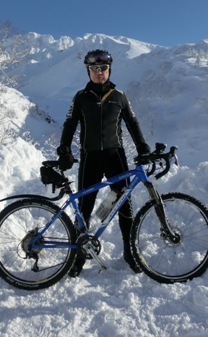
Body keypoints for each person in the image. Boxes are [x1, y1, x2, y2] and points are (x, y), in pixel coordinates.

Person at [56, 49, 151, 277]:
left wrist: (143, 147)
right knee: (85, 207)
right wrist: (64, 150)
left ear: (110, 69)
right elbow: (69, 124)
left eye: (104, 68)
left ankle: (129, 252)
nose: (100, 73)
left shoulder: (120, 96)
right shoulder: (80, 97)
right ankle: (78, 255)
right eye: (95, 69)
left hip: (115, 156)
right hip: (90, 157)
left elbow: (133, 123)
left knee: (124, 206)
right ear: (88, 71)